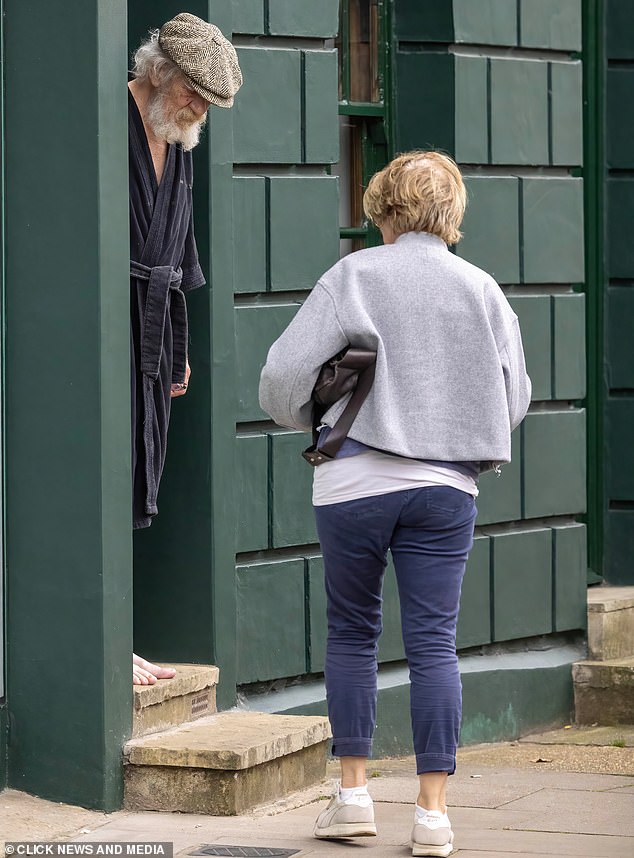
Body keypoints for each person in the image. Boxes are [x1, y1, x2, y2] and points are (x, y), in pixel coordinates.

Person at [259, 151, 531, 857]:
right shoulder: (482, 289)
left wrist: (309, 415)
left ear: (382, 208)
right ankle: (433, 816)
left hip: (353, 479)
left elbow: (280, 378)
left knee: (353, 632)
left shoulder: (352, 275)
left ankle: (352, 798)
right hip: (445, 487)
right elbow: (515, 397)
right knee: (434, 642)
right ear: (453, 213)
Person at [128, 13, 242, 686]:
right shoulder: (110, 120)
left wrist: (181, 348)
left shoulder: (179, 140)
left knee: (141, 478)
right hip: (110, 328)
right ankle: (108, 641)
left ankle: (122, 635)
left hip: (155, 329)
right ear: (160, 72)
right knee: (105, 479)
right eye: (194, 92)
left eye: (208, 99)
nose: (200, 109)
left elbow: (182, 245)